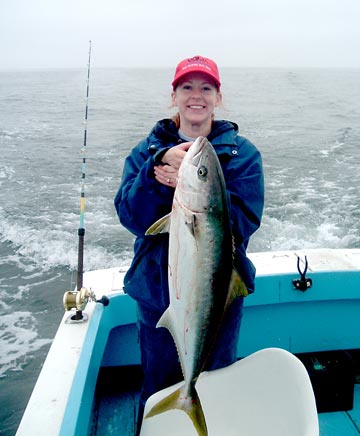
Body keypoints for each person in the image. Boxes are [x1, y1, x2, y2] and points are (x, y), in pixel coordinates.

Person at [114, 55, 264, 435]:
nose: (196, 95)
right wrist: (156, 174)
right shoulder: (146, 153)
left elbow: (244, 222)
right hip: (157, 295)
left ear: (218, 96)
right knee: (158, 385)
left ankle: (202, 414)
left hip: (219, 297)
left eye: (206, 88)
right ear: (174, 95)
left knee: (217, 386)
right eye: (187, 87)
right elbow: (133, 219)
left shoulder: (243, 155)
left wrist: (190, 186)